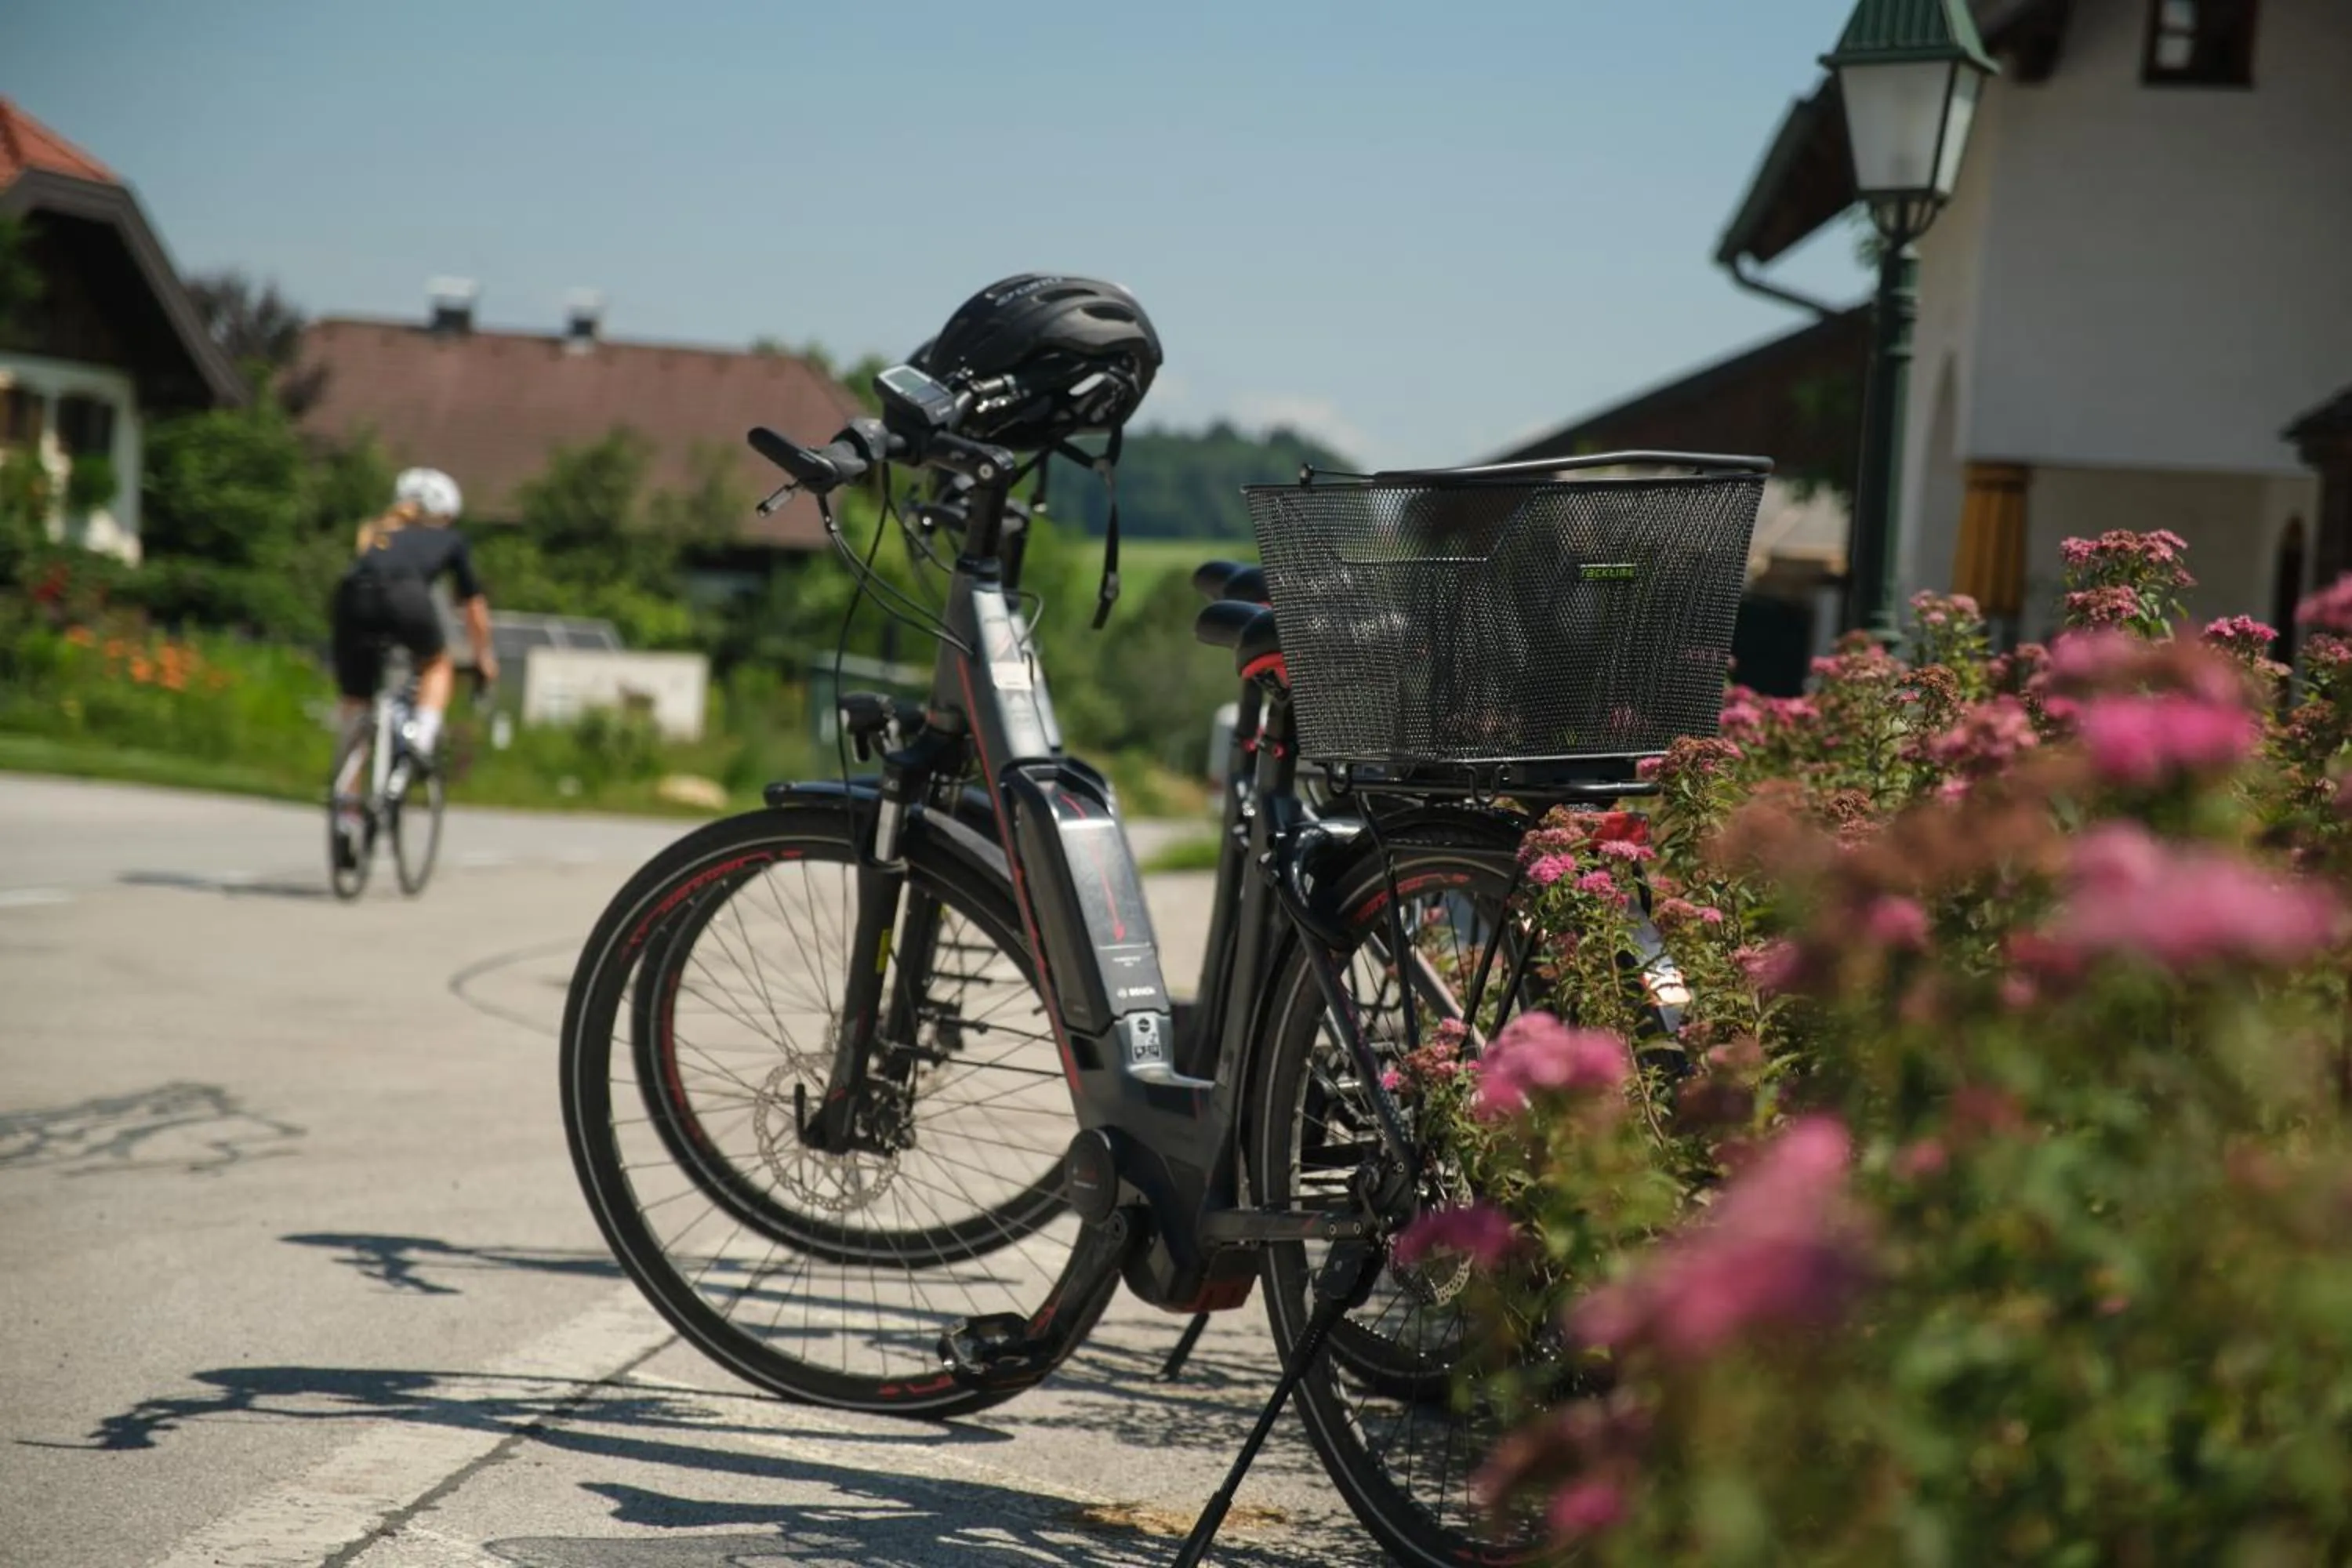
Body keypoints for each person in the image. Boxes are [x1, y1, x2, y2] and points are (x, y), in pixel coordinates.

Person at [328, 467, 497, 861]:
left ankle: (346, 812)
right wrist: (484, 657)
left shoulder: (375, 532)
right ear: (445, 513)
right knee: (438, 663)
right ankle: (420, 740)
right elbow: (473, 607)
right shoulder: (449, 539)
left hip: (350, 600)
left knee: (357, 707)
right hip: (406, 597)